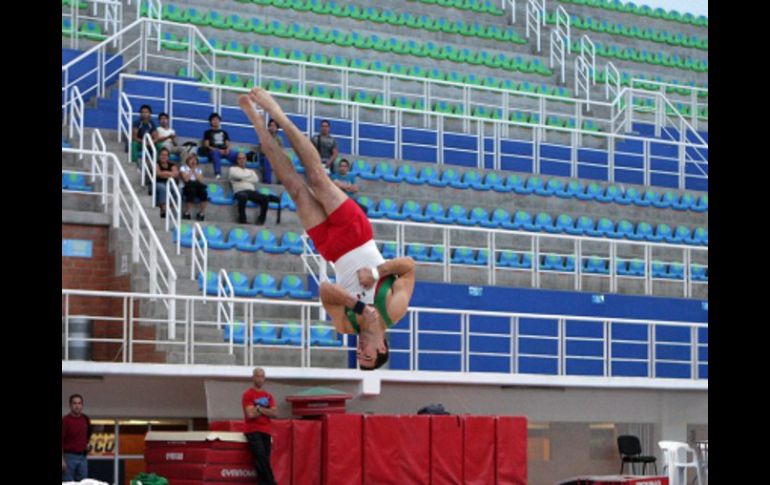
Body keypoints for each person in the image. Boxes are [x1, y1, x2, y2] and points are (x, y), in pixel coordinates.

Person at [239, 88, 416, 370]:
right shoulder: (394, 310)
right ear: (382, 347)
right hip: (356, 235)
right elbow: (408, 267)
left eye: (359, 356)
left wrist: (358, 306)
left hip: (332, 249)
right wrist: (375, 273)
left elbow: (324, 290)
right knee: (318, 178)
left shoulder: (346, 325)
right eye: (367, 355)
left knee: (295, 189)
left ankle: (259, 126)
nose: (360, 351)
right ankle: (278, 115)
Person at [242, 368, 278, 485]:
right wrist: (266, 410)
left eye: (262, 376)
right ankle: (272, 482)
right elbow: (250, 414)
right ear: (253, 378)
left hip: (266, 431)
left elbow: (274, 413)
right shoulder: (248, 394)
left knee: (264, 460)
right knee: (261, 457)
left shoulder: (268, 396)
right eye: (258, 376)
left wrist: (259, 409)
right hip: (253, 431)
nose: (260, 379)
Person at [230, 151, 270, 225]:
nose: (242, 160)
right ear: (237, 160)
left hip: (251, 191)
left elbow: (256, 179)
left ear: (246, 159)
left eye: (243, 158)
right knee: (243, 196)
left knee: (265, 198)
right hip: (239, 191)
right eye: (239, 159)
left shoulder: (250, 170)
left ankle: (261, 220)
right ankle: (242, 219)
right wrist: (249, 177)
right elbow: (237, 175)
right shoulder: (233, 169)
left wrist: (242, 178)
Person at [62, 394, 92, 482]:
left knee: (83, 482)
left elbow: (88, 435)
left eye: (79, 403)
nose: (77, 406)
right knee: (68, 483)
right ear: (70, 405)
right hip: (68, 457)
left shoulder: (85, 419)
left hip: (82, 457)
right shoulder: (65, 420)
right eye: (74, 403)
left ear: (82, 405)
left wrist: (87, 444)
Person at [202, 112, 239, 179]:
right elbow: (206, 145)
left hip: (224, 151)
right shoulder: (207, 132)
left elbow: (228, 144)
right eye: (213, 120)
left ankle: (240, 173)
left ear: (219, 121)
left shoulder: (224, 132)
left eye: (217, 119)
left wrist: (227, 149)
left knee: (239, 155)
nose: (215, 121)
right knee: (215, 153)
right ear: (210, 122)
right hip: (213, 151)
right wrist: (218, 150)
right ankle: (218, 173)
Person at [179, 154, 208, 221]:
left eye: (195, 160)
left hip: (197, 186)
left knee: (204, 192)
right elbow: (186, 179)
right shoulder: (183, 168)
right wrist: (191, 170)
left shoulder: (198, 170)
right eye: (191, 159)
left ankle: (201, 213)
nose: (193, 161)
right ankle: (187, 212)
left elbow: (201, 181)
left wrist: (194, 171)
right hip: (186, 186)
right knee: (192, 191)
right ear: (187, 161)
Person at [257, 119, 284, 184]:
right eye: (271, 125)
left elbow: (281, 151)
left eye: (274, 126)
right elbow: (262, 150)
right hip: (265, 157)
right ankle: (267, 181)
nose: (272, 127)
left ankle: (282, 182)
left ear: (277, 128)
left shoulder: (279, 139)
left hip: (275, 158)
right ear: (268, 127)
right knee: (267, 159)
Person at [155, 148, 179, 219]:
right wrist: (170, 174)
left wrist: (164, 173)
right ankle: (163, 210)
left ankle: (168, 208)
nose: (164, 157)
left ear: (168, 157)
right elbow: (158, 174)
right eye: (162, 155)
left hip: (169, 184)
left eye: (166, 155)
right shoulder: (156, 164)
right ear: (159, 156)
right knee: (163, 188)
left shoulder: (172, 165)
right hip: (157, 184)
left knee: (177, 189)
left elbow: (176, 174)